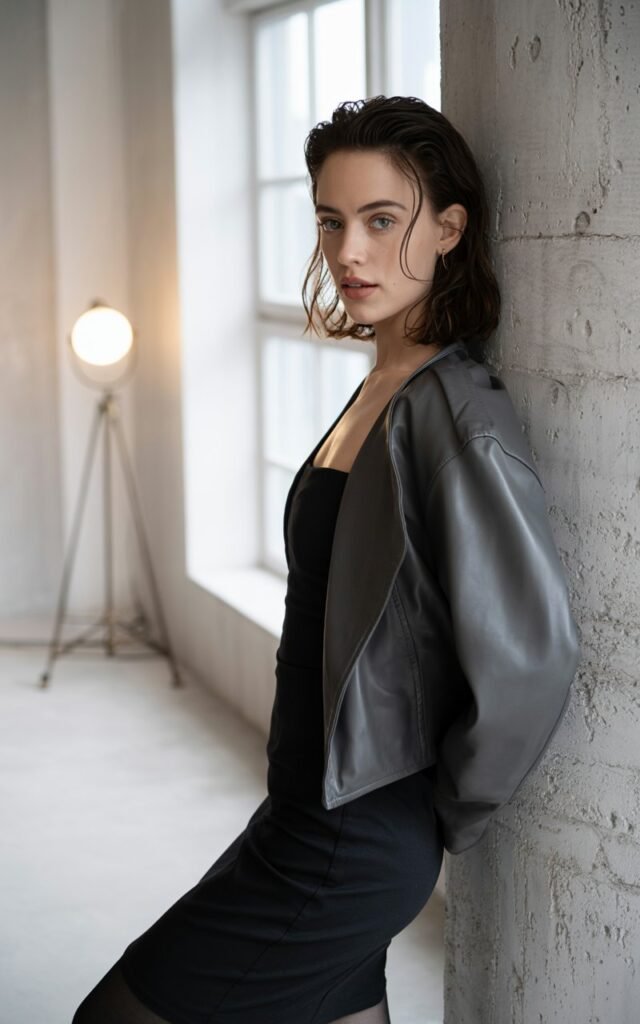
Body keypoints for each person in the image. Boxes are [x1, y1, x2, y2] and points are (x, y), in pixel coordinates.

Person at [71, 95, 580, 1023]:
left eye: (384, 221)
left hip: (350, 839)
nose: (349, 252)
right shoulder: (384, 381)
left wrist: (439, 811)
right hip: (304, 810)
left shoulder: (457, 414)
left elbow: (534, 658)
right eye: (332, 221)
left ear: (450, 229)